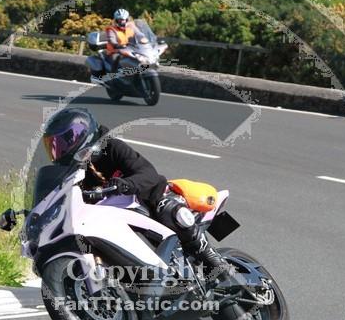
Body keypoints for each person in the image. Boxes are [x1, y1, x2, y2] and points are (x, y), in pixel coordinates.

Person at [41, 107, 231, 277]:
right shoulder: (72, 172)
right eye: (52, 146)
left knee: (172, 213)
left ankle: (212, 258)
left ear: (80, 136)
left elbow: (148, 173)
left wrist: (125, 184)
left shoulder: (112, 147)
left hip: (150, 198)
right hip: (112, 214)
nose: (57, 151)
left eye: (60, 144)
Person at [104, 8, 136, 75]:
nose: (122, 21)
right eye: (120, 19)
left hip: (129, 50)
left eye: (124, 19)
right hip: (115, 51)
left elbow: (139, 36)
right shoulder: (111, 29)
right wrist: (117, 45)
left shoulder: (131, 28)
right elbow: (112, 40)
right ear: (116, 20)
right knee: (116, 59)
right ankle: (112, 77)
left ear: (127, 19)